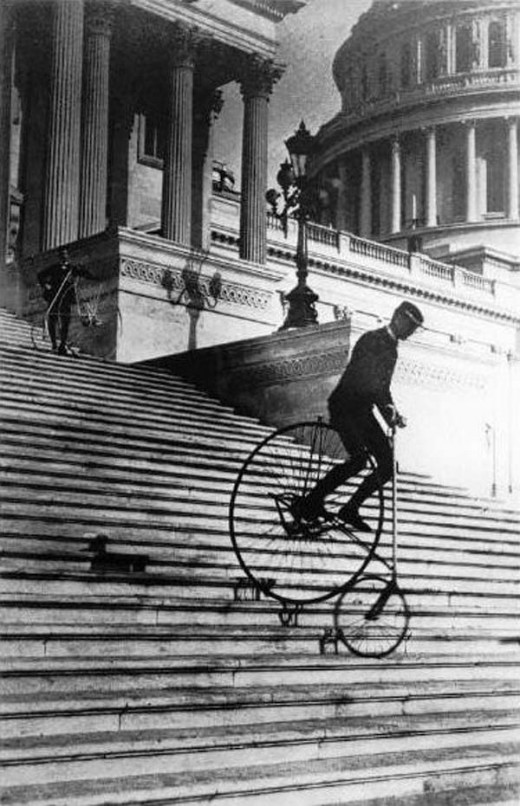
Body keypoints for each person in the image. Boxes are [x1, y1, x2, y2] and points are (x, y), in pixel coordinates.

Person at [299, 301, 424, 532]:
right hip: (345, 407)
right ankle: (311, 501)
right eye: (410, 325)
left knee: (387, 465)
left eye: (414, 328)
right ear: (398, 318)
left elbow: (382, 388)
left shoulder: (392, 347)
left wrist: (392, 413)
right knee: (358, 461)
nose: (411, 332)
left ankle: (350, 509)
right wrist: (388, 410)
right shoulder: (372, 340)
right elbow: (369, 383)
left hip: (362, 410)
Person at [37, 248, 92, 355]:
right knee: (52, 319)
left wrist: (90, 273)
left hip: (66, 298)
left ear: (68, 256)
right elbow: (40, 275)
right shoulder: (54, 268)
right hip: (54, 296)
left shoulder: (72, 268)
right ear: (59, 257)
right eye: (62, 255)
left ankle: (62, 344)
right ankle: (54, 343)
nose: (64, 256)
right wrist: (45, 285)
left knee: (65, 321)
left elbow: (84, 274)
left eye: (65, 255)